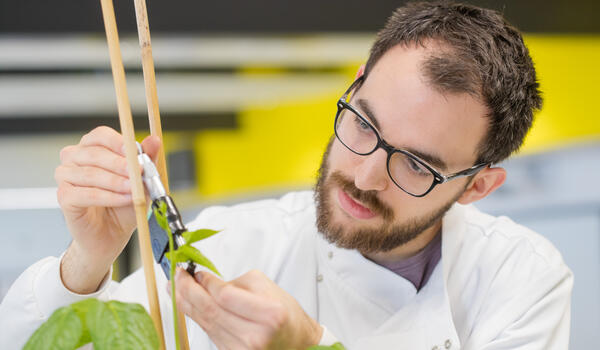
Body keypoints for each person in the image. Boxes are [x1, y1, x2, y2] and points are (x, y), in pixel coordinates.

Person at [0, 2, 572, 349]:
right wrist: (88, 261)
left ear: (476, 186)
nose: (365, 175)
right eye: (364, 124)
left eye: (417, 165)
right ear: (354, 84)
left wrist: (311, 349)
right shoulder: (234, 241)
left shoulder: (518, 278)